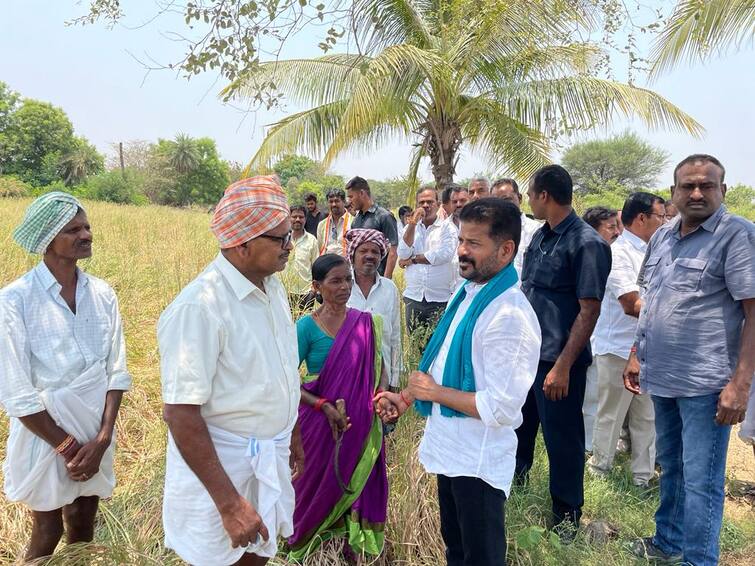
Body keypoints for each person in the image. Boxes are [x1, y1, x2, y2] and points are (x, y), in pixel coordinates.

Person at [375, 198, 542, 565]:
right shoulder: (468, 293)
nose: (462, 252)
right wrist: (406, 396)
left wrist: (434, 393)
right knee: (456, 551)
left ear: (506, 250)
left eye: (474, 244)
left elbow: (499, 407)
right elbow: (441, 359)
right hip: (451, 451)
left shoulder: (509, 315)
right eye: (461, 241)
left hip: (478, 461)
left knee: (480, 558)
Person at [158, 176, 305, 566]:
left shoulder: (271, 288)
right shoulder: (200, 307)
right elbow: (181, 413)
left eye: (290, 234)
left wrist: (291, 433)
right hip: (223, 471)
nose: (290, 246)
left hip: (265, 456)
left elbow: (281, 370)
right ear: (242, 243)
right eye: (280, 238)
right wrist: (228, 503)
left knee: (257, 556)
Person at [625, 155, 755, 566]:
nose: (696, 193)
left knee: (702, 481)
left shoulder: (737, 236)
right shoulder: (663, 236)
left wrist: (740, 384)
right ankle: (668, 542)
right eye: (688, 186)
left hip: (706, 384)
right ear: (673, 193)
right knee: (674, 470)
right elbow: (653, 302)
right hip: (662, 377)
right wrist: (635, 355)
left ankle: (700, 559)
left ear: (723, 190)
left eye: (707, 185)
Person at [0, 192, 131, 562]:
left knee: (83, 522)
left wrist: (102, 439)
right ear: (47, 239)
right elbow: (15, 390)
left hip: (95, 429)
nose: (86, 234)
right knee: (48, 528)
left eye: (87, 226)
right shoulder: (15, 300)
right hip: (45, 432)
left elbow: (116, 370)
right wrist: (68, 447)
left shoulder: (103, 294)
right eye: (73, 229)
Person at [515, 165, 611, 538]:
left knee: (563, 441)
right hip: (527, 357)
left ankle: (567, 517)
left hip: (558, 364)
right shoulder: (540, 236)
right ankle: (515, 494)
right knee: (520, 431)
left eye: (530, 193)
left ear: (544, 196)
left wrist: (563, 366)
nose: (527, 200)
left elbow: (590, 309)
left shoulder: (586, 243)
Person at [290, 254, 394, 561]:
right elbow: (286, 382)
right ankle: (309, 544)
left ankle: (348, 547)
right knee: (314, 487)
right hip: (317, 425)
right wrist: (322, 405)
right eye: (335, 281)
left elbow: (381, 369)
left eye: (347, 279)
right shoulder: (305, 328)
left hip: (359, 423)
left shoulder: (365, 323)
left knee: (353, 484)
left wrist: (382, 396)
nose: (344, 287)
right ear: (316, 286)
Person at [587, 192, 666, 487]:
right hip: (618, 349)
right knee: (610, 415)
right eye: (661, 216)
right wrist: (675, 312)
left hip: (646, 350)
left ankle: (642, 479)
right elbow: (631, 304)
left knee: (646, 418)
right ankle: (599, 474)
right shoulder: (618, 253)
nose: (665, 222)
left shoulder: (654, 251)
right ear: (642, 218)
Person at [580, 205, 621, 452]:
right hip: (595, 337)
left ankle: (603, 445)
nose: (617, 232)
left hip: (609, 338)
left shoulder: (619, 253)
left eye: (617, 226)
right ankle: (589, 446)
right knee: (593, 398)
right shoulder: (590, 255)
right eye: (610, 227)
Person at [397, 186, 458, 334]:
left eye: (430, 202)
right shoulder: (410, 228)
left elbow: (444, 254)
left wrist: (414, 260)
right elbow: (403, 253)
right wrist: (412, 224)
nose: (425, 206)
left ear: (438, 204)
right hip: (414, 297)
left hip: (439, 299)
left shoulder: (447, 228)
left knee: (436, 347)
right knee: (415, 347)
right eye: (421, 202)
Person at [346, 229, 402, 390]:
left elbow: (395, 338)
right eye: (363, 251)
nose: (370, 256)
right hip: (346, 375)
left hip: (381, 381)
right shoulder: (342, 286)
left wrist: (395, 381)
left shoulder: (389, 288)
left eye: (375, 252)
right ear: (353, 255)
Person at [347, 176, 399, 278]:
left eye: (351, 197)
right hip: (359, 279)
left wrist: (386, 280)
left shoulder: (384, 216)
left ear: (362, 193)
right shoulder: (356, 220)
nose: (349, 201)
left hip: (378, 277)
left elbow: (393, 251)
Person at [491, 178, 542, 276]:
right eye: (496, 202)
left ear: (520, 198)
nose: (501, 206)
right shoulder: (489, 234)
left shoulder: (537, 231)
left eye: (507, 199)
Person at [280, 205, 319, 310]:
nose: (297, 219)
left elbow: (316, 267)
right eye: (294, 216)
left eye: (301, 217)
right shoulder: (281, 239)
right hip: (284, 291)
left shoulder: (312, 240)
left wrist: (313, 291)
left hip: (305, 293)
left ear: (305, 219)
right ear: (289, 218)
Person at [316, 188, 354, 257]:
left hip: (346, 264)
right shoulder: (322, 225)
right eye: (331, 201)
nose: (334, 204)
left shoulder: (353, 222)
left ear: (344, 202)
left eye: (337, 201)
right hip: (327, 264)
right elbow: (319, 248)